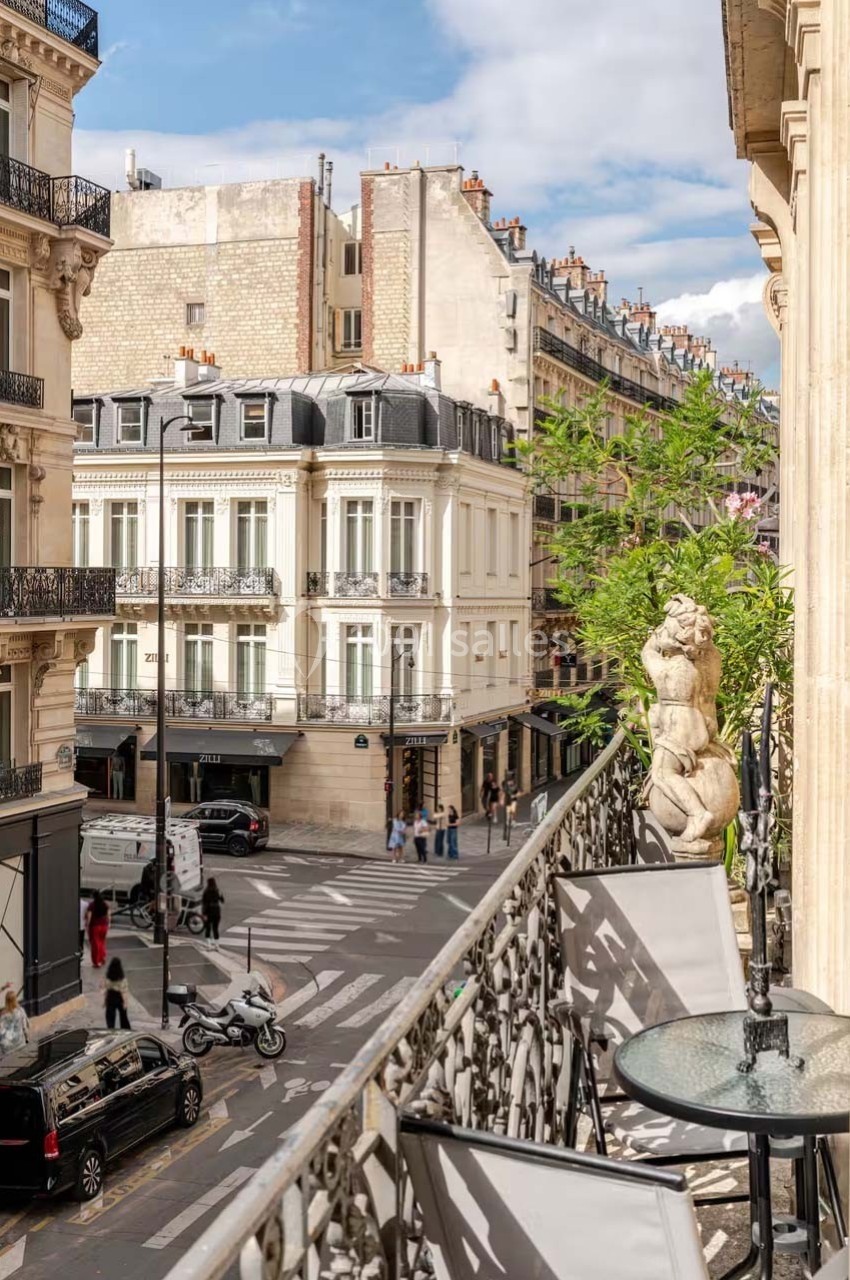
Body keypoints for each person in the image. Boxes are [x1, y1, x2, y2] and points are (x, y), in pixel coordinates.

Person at [104, 957, 131, 1030]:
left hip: (111, 996)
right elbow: (124, 991)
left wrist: (105, 1000)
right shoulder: (121, 978)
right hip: (119, 997)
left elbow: (106, 988)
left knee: (110, 1017)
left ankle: (111, 1030)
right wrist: (125, 1002)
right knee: (123, 1017)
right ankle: (125, 1030)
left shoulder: (108, 977)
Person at [86, 890, 110, 968]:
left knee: (95, 944)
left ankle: (96, 962)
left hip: (95, 926)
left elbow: (89, 917)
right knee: (102, 942)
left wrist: (87, 925)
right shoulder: (105, 904)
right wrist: (109, 924)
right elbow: (108, 915)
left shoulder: (92, 905)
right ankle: (102, 958)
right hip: (104, 925)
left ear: (93, 897)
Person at [0, 989, 28, 1055]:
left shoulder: (3, 1015)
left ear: (6, 1001)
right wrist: (27, 1039)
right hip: (20, 1043)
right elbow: (25, 1028)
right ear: (15, 1000)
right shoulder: (21, 1011)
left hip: (7, 1047)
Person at [202, 876, 225, 949]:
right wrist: (221, 895)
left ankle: (208, 944)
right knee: (215, 928)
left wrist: (204, 914)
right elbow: (222, 901)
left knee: (208, 928)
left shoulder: (206, 892)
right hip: (216, 911)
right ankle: (216, 945)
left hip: (209, 912)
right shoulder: (218, 891)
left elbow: (204, 903)